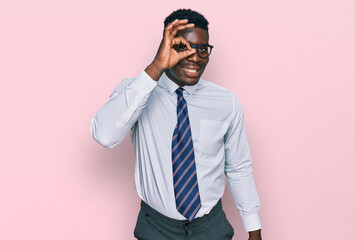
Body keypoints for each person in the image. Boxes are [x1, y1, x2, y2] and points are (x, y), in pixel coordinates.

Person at [91, 9, 262, 240]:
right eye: (183, 47)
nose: (195, 57)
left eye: (202, 49)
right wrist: (156, 67)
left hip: (211, 228)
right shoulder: (136, 90)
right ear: (166, 47)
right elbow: (104, 135)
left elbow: (239, 168)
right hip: (157, 229)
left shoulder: (226, 102)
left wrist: (254, 231)